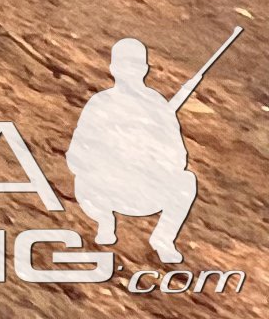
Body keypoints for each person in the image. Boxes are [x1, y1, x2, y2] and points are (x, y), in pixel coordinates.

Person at [68, 38, 203, 264]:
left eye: (135, 64)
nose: (129, 70)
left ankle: (163, 239)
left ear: (144, 69)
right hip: (104, 188)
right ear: (113, 68)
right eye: (124, 64)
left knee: (186, 181)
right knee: (83, 179)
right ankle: (104, 221)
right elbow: (77, 153)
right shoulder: (99, 103)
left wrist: (150, 154)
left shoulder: (157, 106)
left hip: (143, 189)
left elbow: (178, 157)